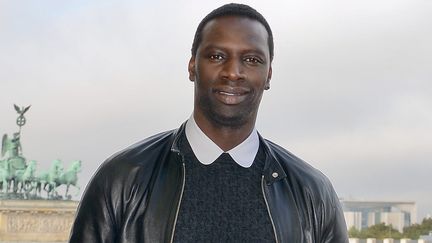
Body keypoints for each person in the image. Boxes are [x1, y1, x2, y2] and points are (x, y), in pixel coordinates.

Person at [69, 3, 348, 243]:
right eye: (217, 56)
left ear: (269, 74)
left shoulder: (314, 193)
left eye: (251, 59)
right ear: (192, 66)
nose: (233, 72)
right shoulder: (121, 178)